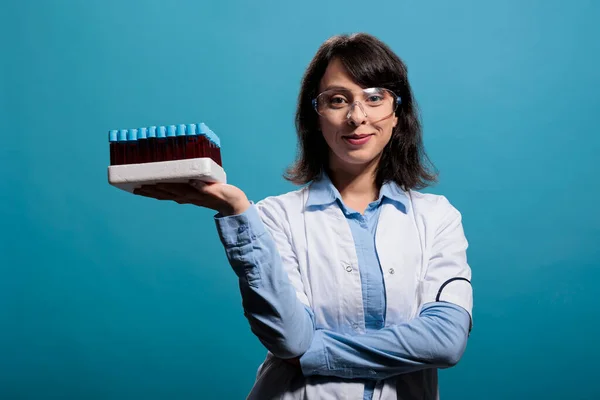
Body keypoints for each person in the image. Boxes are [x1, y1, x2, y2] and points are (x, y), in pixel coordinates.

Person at [134, 32, 473, 400]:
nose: (357, 117)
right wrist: (238, 213)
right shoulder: (274, 218)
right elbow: (289, 338)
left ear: (397, 113)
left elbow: (446, 341)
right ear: (315, 116)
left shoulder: (437, 218)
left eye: (374, 98)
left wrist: (312, 354)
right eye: (338, 100)